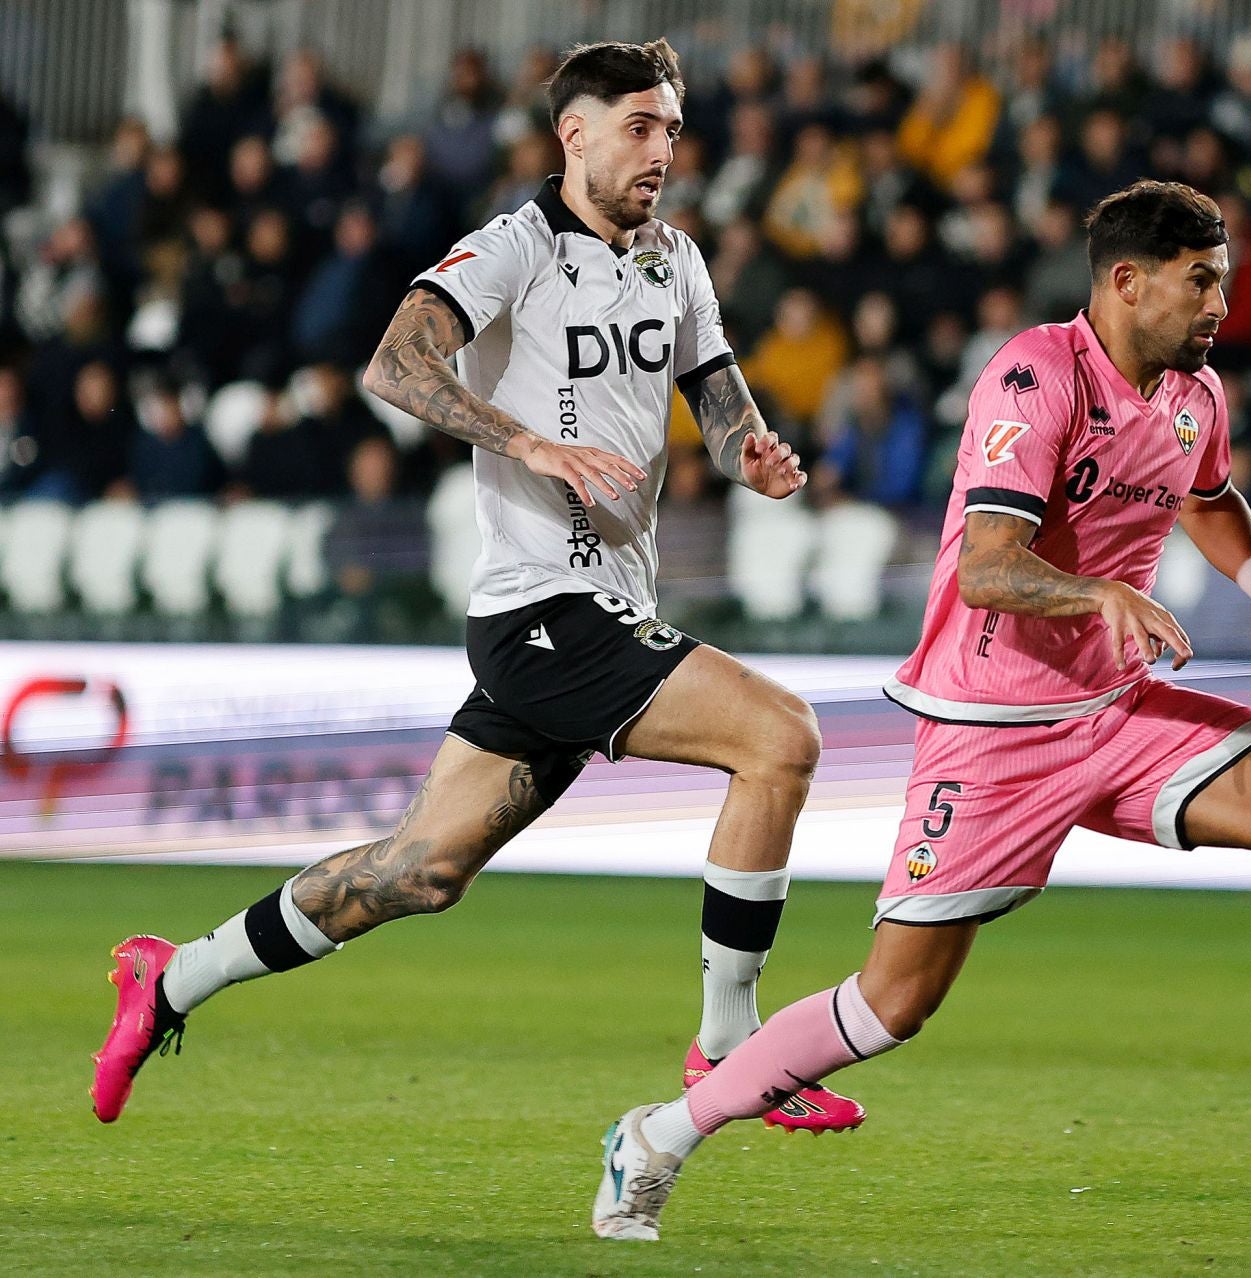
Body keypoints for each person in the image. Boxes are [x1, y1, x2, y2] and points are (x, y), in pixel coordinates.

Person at [590, 181, 1251, 1242]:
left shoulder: (1197, 394)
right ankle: (659, 1135)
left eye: (1225, 283)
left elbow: (1204, 493)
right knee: (891, 1004)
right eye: (1200, 283)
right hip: (992, 730)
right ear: (1125, 281)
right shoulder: (1035, 375)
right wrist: (1103, 593)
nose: (1218, 306)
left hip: (1118, 707)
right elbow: (987, 569)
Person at [91, 38, 863, 1139]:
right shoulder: (514, 250)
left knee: (416, 873)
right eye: (641, 129)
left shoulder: (676, 260)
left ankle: (169, 978)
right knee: (781, 737)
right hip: (540, 610)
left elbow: (721, 398)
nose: (662, 152)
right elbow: (396, 362)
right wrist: (525, 442)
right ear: (574, 134)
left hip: (604, 608)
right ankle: (731, 1049)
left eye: (673, 132)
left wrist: (755, 454)